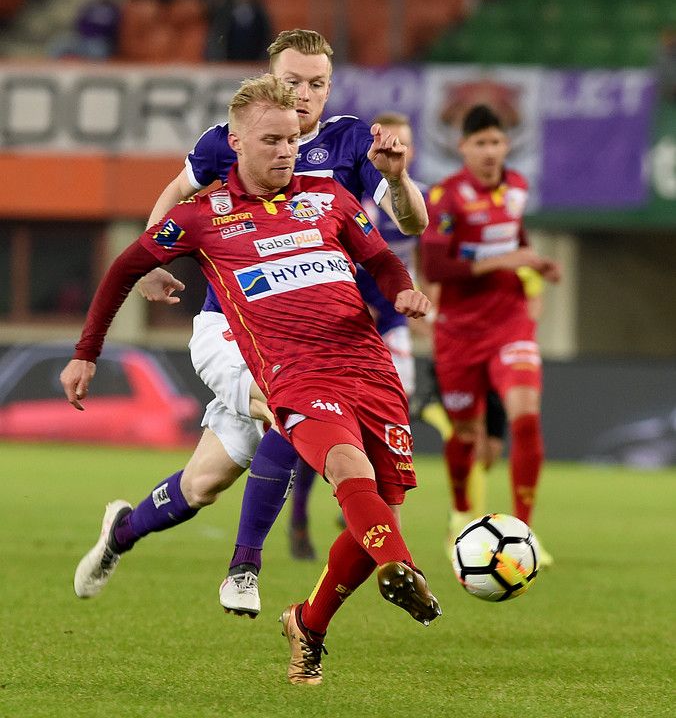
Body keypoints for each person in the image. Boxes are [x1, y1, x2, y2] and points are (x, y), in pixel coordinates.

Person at [61, 73, 441, 685]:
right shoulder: (202, 216)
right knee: (347, 468)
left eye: (291, 139)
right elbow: (124, 266)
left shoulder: (328, 197)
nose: (286, 151)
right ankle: (335, 567)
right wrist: (86, 354)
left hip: (368, 368)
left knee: (219, 486)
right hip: (285, 371)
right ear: (234, 142)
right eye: (271, 141)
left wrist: (403, 291)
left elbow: (381, 257)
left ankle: (304, 622)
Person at [420, 104, 560, 565]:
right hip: (458, 331)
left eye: (496, 141)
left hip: (509, 321)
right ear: (463, 147)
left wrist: (534, 262)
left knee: (526, 417)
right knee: (464, 433)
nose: (489, 151)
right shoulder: (445, 197)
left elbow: (514, 238)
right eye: (480, 143)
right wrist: (503, 261)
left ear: (507, 144)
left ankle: (526, 530)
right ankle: (462, 513)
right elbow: (435, 267)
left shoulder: (517, 185)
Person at [288, 112, 421, 559]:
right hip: (347, 320)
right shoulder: (349, 202)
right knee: (326, 422)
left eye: (404, 143)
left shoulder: (411, 200)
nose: (395, 149)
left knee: (392, 414)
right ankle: (302, 516)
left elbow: (415, 255)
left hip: (393, 322)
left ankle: (368, 510)